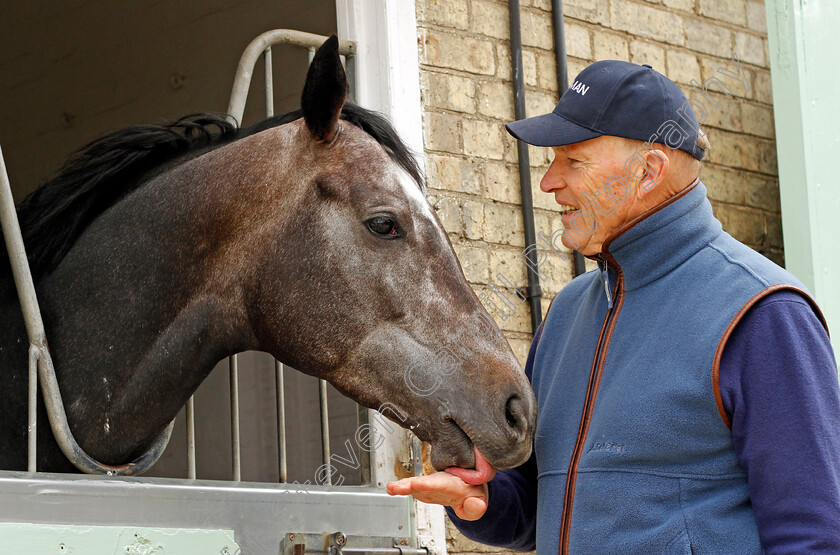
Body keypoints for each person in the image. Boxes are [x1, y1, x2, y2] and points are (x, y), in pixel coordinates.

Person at [387, 60, 840, 553]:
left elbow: (813, 536)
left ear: (647, 173)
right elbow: (540, 511)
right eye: (552, 160)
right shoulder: (568, 312)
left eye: (574, 161)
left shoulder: (763, 314)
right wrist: (483, 501)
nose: (549, 182)